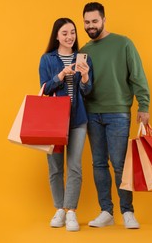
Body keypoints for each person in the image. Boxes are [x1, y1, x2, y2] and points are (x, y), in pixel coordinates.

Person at [79, 2, 150, 229]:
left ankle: (127, 211)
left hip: (118, 112)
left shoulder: (123, 43)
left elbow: (137, 75)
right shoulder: (84, 51)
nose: (91, 26)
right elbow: (83, 87)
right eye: (87, 22)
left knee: (119, 164)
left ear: (104, 20)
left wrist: (144, 105)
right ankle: (106, 212)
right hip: (92, 113)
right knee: (99, 164)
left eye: (94, 21)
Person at [39, 18, 93, 232]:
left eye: (72, 32)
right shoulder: (47, 59)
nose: (70, 37)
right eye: (65, 33)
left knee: (75, 166)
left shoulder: (84, 58)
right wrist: (61, 75)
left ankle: (71, 211)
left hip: (77, 119)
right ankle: (59, 209)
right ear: (56, 36)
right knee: (54, 167)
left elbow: (88, 92)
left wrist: (86, 76)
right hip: (54, 122)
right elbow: (44, 88)